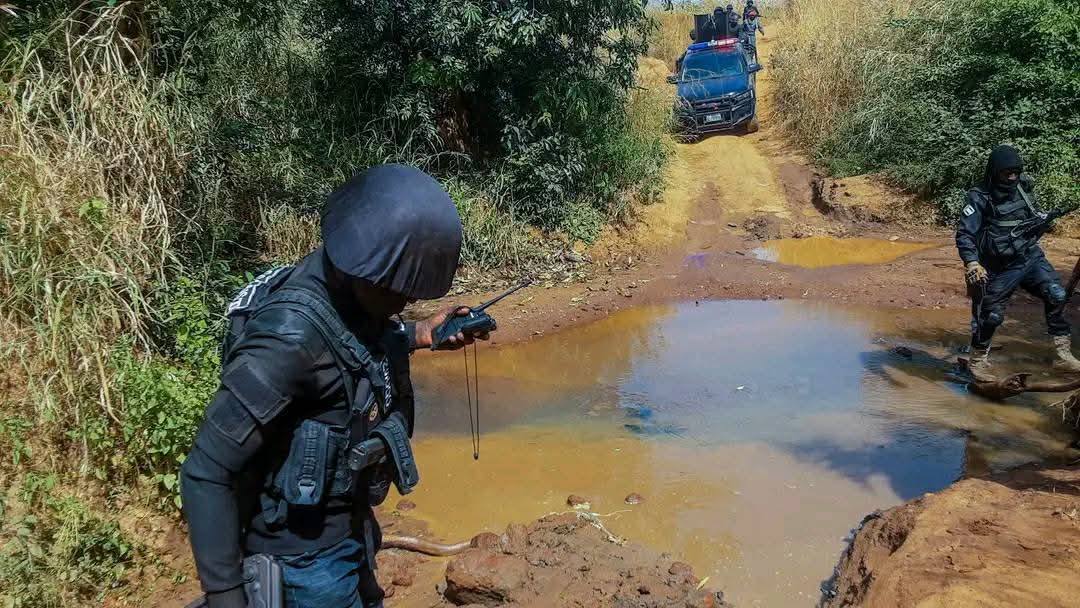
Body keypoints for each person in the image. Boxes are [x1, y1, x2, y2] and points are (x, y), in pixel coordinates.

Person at [180, 164, 485, 608]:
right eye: (400, 290)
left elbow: (353, 345)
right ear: (367, 271)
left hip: (348, 531)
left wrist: (422, 334)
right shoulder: (287, 339)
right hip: (303, 561)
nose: (409, 300)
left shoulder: (345, 290)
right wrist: (227, 595)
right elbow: (206, 470)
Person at [956, 145, 1080, 377]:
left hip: (1029, 257)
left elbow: (1032, 216)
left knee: (1057, 295)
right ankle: (978, 361)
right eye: (1007, 173)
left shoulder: (1023, 187)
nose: (1012, 177)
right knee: (992, 315)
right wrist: (972, 262)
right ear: (995, 172)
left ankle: (1062, 356)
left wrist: (1042, 221)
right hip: (998, 266)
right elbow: (965, 234)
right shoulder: (979, 196)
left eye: (1016, 172)